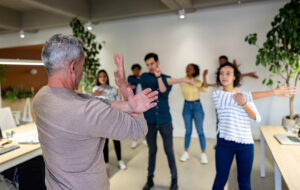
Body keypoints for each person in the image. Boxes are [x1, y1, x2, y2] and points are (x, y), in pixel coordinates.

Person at [33, 34, 158, 190]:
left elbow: (94, 101)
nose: (82, 71)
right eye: (82, 65)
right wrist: (127, 92)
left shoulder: (40, 98)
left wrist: (127, 102)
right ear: (73, 67)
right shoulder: (88, 111)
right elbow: (138, 129)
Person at [140, 53, 193, 190]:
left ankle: (174, 180)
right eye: (148, 65)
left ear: (157, 62)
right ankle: (149, 179)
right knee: (152, 150)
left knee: (169, 150)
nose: (150, 67)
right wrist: (182, 80)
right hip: (150, 121)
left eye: (152, 63)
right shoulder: (144, 77)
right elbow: (156, 84)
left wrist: (160, 77)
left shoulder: (165, 78)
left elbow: (163, 89)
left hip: (165, 121)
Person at [212, 62, 261, 190]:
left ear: (234, 77)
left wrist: (244, 104)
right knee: (220, 179)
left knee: (244, 182)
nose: (224, 76)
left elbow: (256, 118)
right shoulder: (217, 95)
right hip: (224, 143)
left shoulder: (244, 97)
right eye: (221, 73)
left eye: (228, 73)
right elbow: (232, 99)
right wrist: (274, 92)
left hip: (246, 144)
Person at [92, 69, 126, 170]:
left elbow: (119, 101)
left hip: (113, 119)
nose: (103, 78)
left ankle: (120, 160)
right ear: (98, 78)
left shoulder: (113, 89)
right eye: (101, 76)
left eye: (104, 76)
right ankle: (106, 162)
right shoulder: (96, 89)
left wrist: (120, 90)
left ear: (107, 78)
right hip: (102, 120)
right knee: (105, 142)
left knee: (116, 141)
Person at [179, 63, 210, 164]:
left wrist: (204, 77)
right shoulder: (182, 80)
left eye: (191, 68)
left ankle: (203, 153)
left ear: (194, 71)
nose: (188, 69)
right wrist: (195, 84)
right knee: (188, 131)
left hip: (197, 107)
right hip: (186, 106)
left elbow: (205, 89)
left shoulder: (198, 81)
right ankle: (186, 152)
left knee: (200, 131)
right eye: (187, 68)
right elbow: (186, 86)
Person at [127, 63, 147, 148]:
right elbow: (134, 82)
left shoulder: (143, 77)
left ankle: (145, 138)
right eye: (134, 70)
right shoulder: (130, 77)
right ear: (132, 71)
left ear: (140, 70)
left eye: (137, 70)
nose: (136, 71)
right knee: (134, 121)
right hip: (133, 103)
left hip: (142, 103)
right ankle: (134, 140)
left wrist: (134, 84)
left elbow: (140, 84)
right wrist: (132, 84)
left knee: (144, 120)